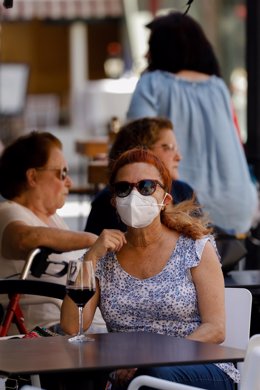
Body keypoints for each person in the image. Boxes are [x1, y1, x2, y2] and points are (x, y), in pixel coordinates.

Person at [61, 148, 239, 390]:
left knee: (152, 375)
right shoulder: (104, 257)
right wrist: (91, 256)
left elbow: (215, 330)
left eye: (146, 186)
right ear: (114, 200)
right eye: (124, 188)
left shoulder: (195, 247)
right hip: (128, 373)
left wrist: (152, 360)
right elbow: (72, 327)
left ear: (165, 199)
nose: (134, 195)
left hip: (199, 365)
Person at [127, 11, 258, 235]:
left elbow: (136, 141)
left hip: (184, 207)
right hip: (238, 206)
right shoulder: (218, 87)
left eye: (151, 46)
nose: (146, 54)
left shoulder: (152, 84)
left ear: (162, 49)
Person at [0, 130, 124, 334]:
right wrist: (91, 239)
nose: (70, 182)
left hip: (85, 327)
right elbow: (25, 239)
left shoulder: (53, 219)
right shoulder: (8, 212)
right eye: (62, 173)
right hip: (45, 331)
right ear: (32, 176)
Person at [85, 117, 196, 235]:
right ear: (139, 152)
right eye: (168, 147)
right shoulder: (110, 202)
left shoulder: (184, 191)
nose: (178, 157)